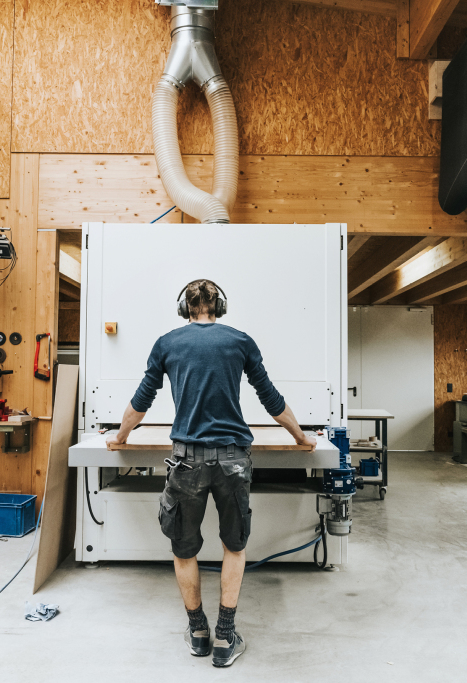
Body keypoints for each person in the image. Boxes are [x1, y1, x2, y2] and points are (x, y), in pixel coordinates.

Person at [106, 279, 316, 668]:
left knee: (184, 549)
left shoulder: (167, 343)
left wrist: (119, 437)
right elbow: (270, 399)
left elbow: (140, 403)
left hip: (186, 462)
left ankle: (198, 632)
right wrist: (302, 436)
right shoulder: (240, 341)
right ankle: (225, 635)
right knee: (234, 546)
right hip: (234, 460)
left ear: (184, 309)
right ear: (219, 305)